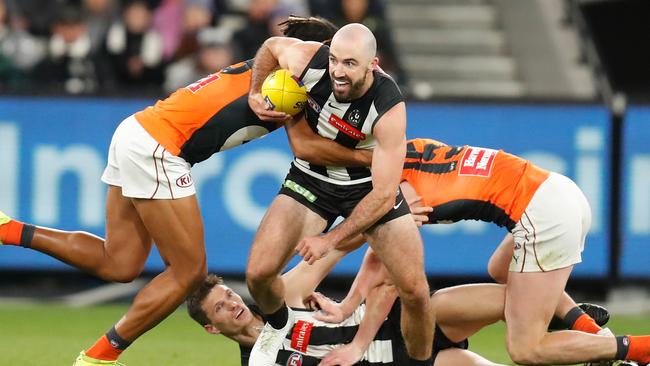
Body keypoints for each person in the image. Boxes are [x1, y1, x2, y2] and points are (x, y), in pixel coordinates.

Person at [0, 16, 367, 366]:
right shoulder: (293, 76)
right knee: (190, 271)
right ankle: (100, 356)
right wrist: (376, 157)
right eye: (333, 58)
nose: (337, 70)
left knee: (121, 262)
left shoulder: (274, 71)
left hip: (139, 131)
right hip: (161, 146)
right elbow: (305, 148)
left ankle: (8, 230)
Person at [244, 23, 433, 365]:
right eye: (334, 60)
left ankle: (422, 362)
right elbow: (271, 45)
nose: (338, 72)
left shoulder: (388, 107)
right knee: (258, 274)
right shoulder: (309, 62)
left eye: (349, 64)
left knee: (415, 291)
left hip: (365, 188)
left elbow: (383, 194)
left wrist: (329, 241)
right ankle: (277, 327)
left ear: (372, 65)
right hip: (311, 179)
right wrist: (256, 91)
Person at [396, 138, 650, 365]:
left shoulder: (402, 193)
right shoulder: (416, 150)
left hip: (544, 214)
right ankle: (586, 327)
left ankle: (642, 349)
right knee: (498, 268)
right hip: (559, 189)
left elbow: (381, 263)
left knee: (526, 349)